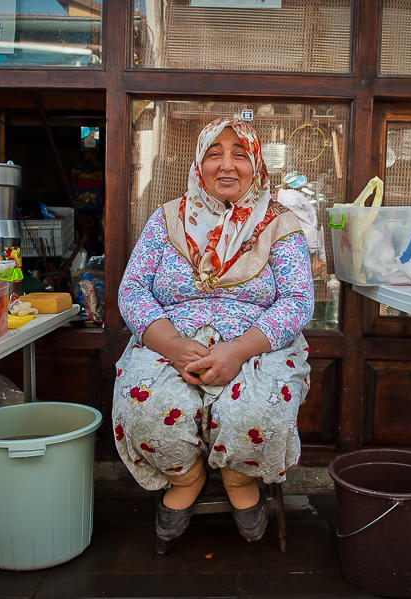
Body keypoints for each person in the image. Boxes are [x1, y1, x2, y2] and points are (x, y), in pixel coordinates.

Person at [113, 117, 314, 545]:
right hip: (171, 340)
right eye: (214, 153)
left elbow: (298, 300)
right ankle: (186, 479)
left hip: (258, 344)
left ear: (256, 163)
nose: (227, 165)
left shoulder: (280, 223)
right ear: (199, 163)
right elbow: (131, 290)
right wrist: (172, 345)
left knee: (258, 412)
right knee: (146, 408)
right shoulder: (165, 219)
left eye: (240, 154)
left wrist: (238, 351)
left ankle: (240, 480)